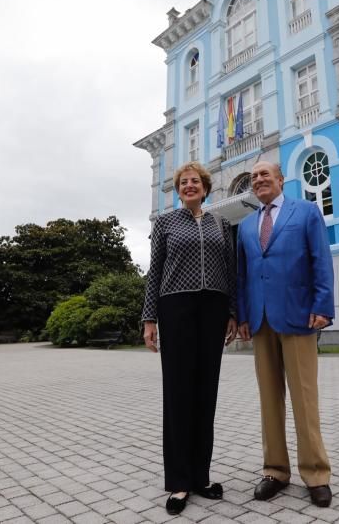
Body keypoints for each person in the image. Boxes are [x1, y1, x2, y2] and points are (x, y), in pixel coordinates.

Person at [142, 161, 238, 516]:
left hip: (213, 309)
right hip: (175, 308)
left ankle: (201, 476)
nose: (189, 186)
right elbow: (154, 273)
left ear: (205, 186)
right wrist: (148, 318)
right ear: (178, 189)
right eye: (183, 182)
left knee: (205, 392)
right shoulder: (166, 223)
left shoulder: (221, 224)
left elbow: (231, 272)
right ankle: (180, 482)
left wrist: (232, 312)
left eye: (195, 181)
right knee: (179, 393)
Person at [237, 161, 334, 508]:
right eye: (254, 177)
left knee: (304, 398)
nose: (259, 180)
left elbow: (320, 259)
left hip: (298, 316)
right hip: (260, 321)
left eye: (265, 174)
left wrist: (323, 305)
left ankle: (316, 473)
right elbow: (243, 275)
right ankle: (275, 471)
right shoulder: (247, 226)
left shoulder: (306, 212)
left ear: (280, 179)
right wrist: (243, 315)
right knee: (269, 400)